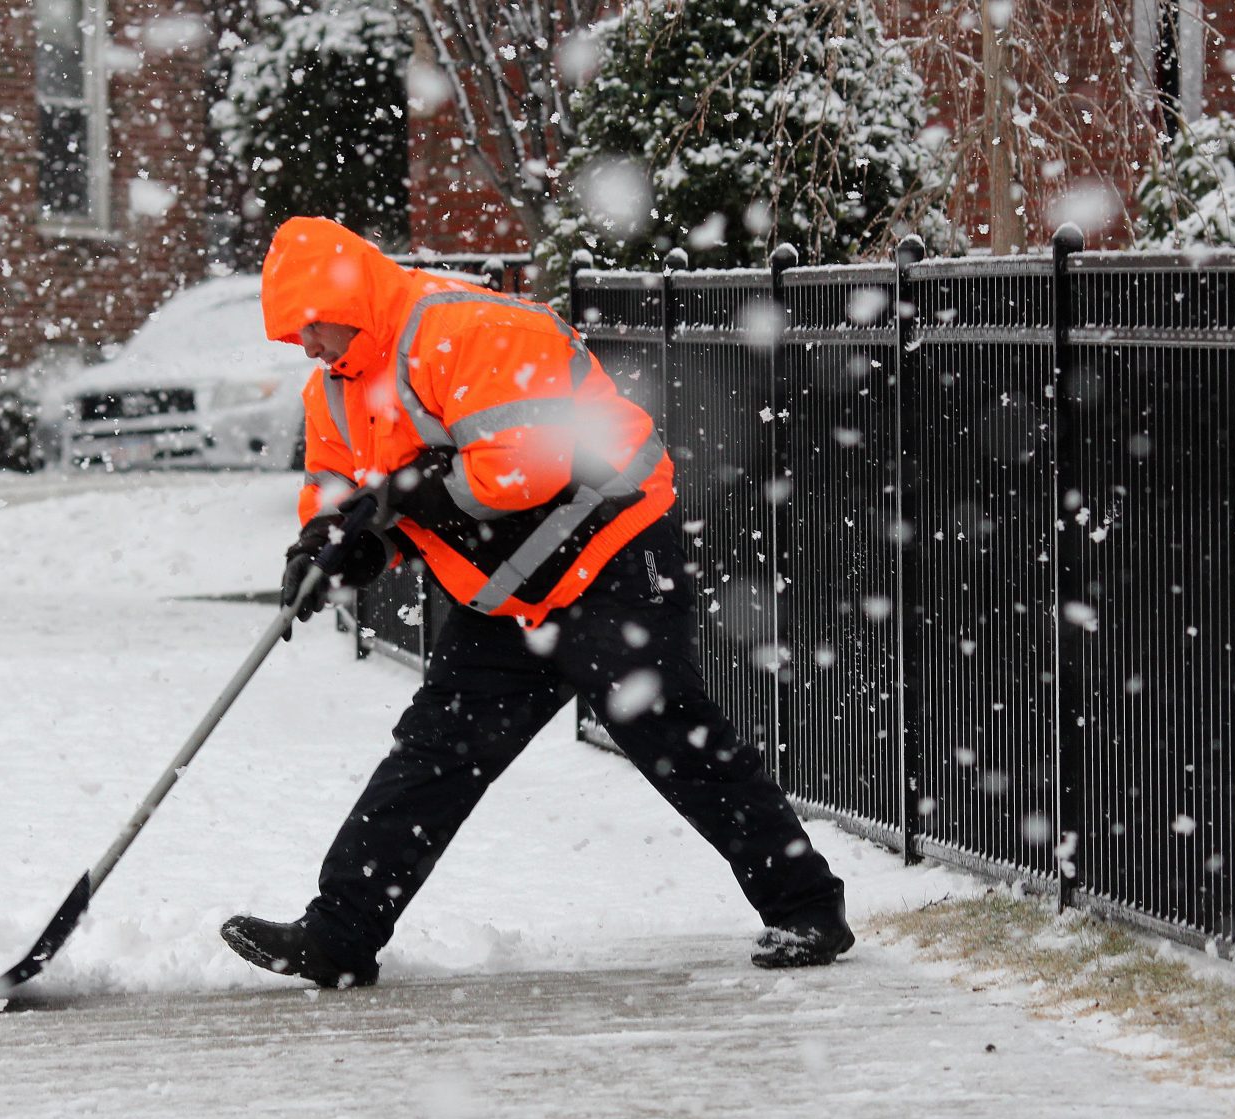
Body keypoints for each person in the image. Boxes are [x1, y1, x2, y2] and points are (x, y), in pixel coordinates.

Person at [219, 216, 851, 988]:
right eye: (293, 337)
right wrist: (328, 547)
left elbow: (524, 468)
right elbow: (340, 486)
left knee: (669, 735)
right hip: (509, 596)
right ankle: (340, 935)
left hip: (607, 550)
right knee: (434, 754)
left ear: (344, 302)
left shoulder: (465, 328)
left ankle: (807, 907)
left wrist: (403, 498)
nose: (305, 348)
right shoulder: (338, 390)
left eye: (309, 327)